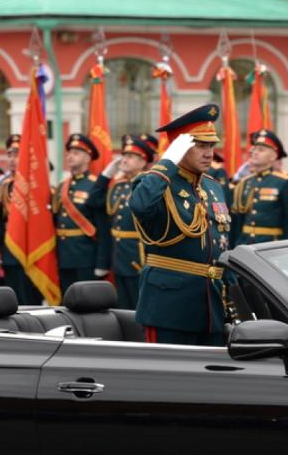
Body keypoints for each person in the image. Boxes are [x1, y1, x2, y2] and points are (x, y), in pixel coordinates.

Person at [130, 103, 231, 345]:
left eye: (211, 145)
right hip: (169, 309)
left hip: (212, 307)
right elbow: (141, 205)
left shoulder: (213, 186)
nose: (209, 153)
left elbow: (223, 246)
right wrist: (167, 162)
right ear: (178, 148)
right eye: (200, 146)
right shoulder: (155, 182)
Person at [92, 135, 157, 310]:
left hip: (139, 259)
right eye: (124, 155)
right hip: (119, 259)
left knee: (140, 308)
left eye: (130, 156)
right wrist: (106, 175)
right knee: (123, 309)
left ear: (143, 162)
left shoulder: (148, 185)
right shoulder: (118, 187)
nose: (124, 160)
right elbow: (94, 202)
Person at [54, 133, 108, 295]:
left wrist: (102, 263)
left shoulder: (94, 186)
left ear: (87, 159)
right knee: (66, 303)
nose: (70, 156)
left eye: (76, 153)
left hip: (86, 257)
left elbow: (103, 227)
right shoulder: (61, 187)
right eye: (69, 153)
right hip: (63, 256)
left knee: (87, 304)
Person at [0, 135, 43, 305]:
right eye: (9, 155)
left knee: (29, 302)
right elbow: (1, 222)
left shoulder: (36, 185)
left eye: (17, 155)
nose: (12, 159)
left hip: (30, 252)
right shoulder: (3, 186)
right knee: (12, 301)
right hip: (9, 251)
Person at [231, 129, 288, 245]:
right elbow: (237, 221)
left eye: (261, 150)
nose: (255, 152)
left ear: (273, 157)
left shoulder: (283, 182)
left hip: (270, 245)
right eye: (255, 149)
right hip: (245, 244)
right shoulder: (245, 183)